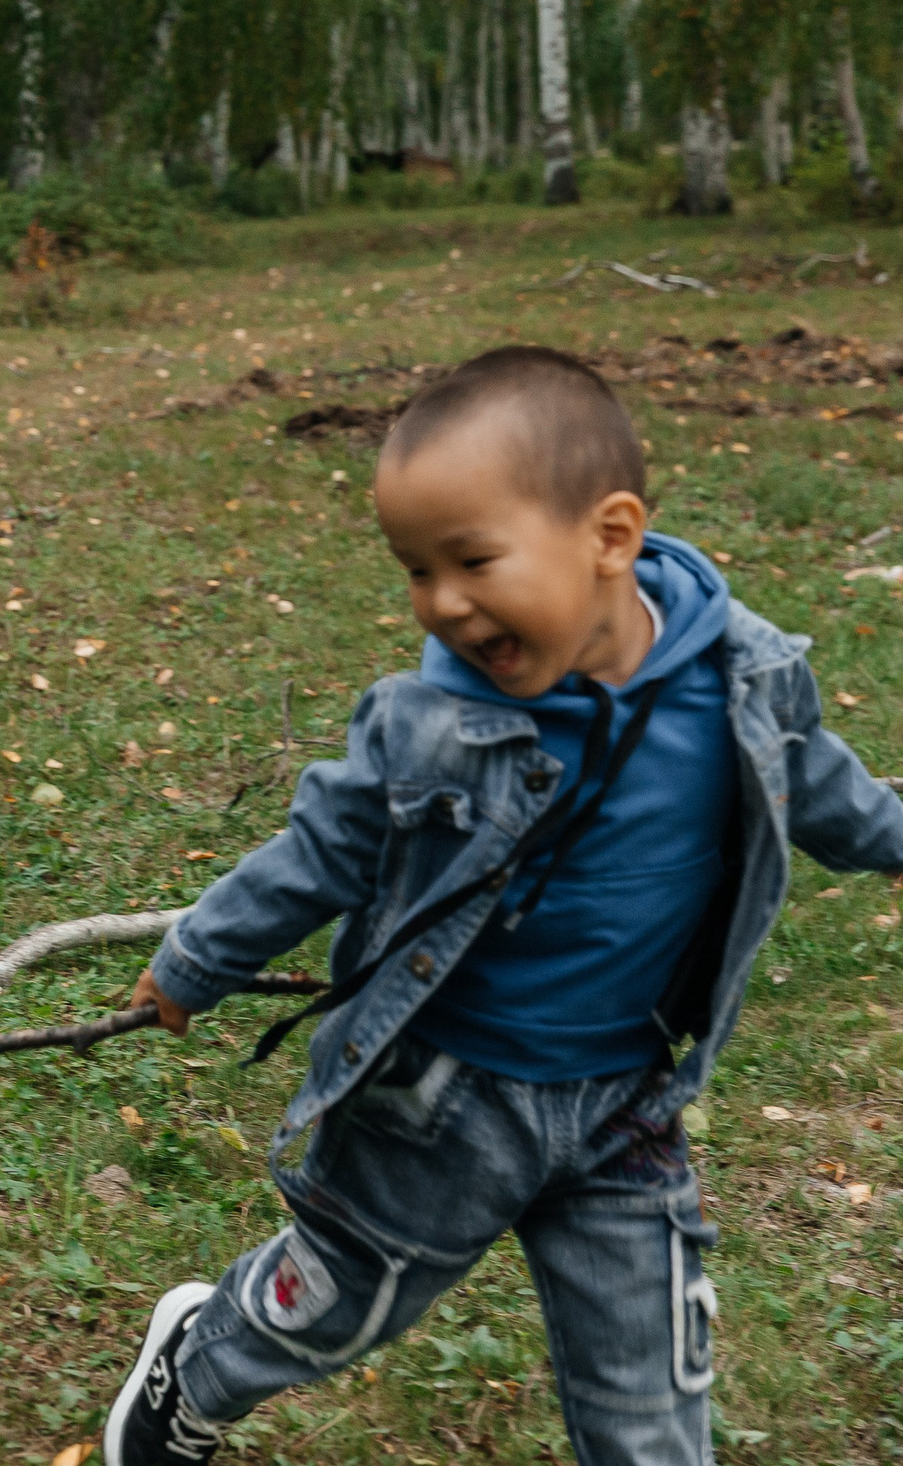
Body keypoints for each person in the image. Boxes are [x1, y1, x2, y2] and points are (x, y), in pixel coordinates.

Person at [99, 346, 903, 1463]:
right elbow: (318, 849)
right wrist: (198, 955)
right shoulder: (427, 721)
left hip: (625, 1104)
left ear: (611, 537)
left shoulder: (741, 682)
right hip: (440, 1102)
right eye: (416, 571)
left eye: (471, 560)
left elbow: (825, 790)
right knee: (334, 1307)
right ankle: (197, 1359)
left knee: (649, 1393)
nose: (442, 604)